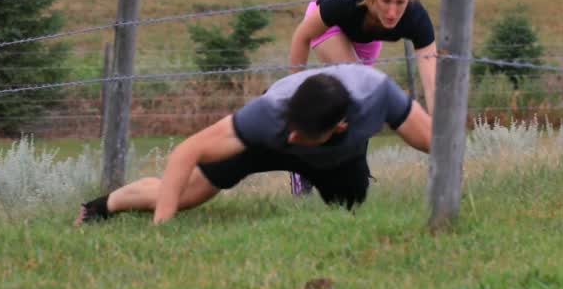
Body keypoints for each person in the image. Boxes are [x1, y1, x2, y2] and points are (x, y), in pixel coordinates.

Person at [76, 64, 431, 226]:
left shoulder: (378, 95)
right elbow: (186, 152)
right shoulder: (269, 115)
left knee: (350, 210)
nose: (292, 137)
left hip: (338, 156)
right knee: (186, 195)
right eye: (291, 127)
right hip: (263, 145)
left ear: (340, 126)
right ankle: (102, 206)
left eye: (301, 134)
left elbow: (438, 142)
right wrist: (162, 228)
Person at [286, 0, 438, 196]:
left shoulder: (416, 18)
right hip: (328, 26)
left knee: (360, 104)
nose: (392, 12)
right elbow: (301, 36)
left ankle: (353, 172)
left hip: (367, 37)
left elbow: (433, 85)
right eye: (386, 1)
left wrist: (439, 133)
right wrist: (294, 92)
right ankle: (305, 165)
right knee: (363, 89)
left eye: (399, 3)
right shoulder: (345, 1)